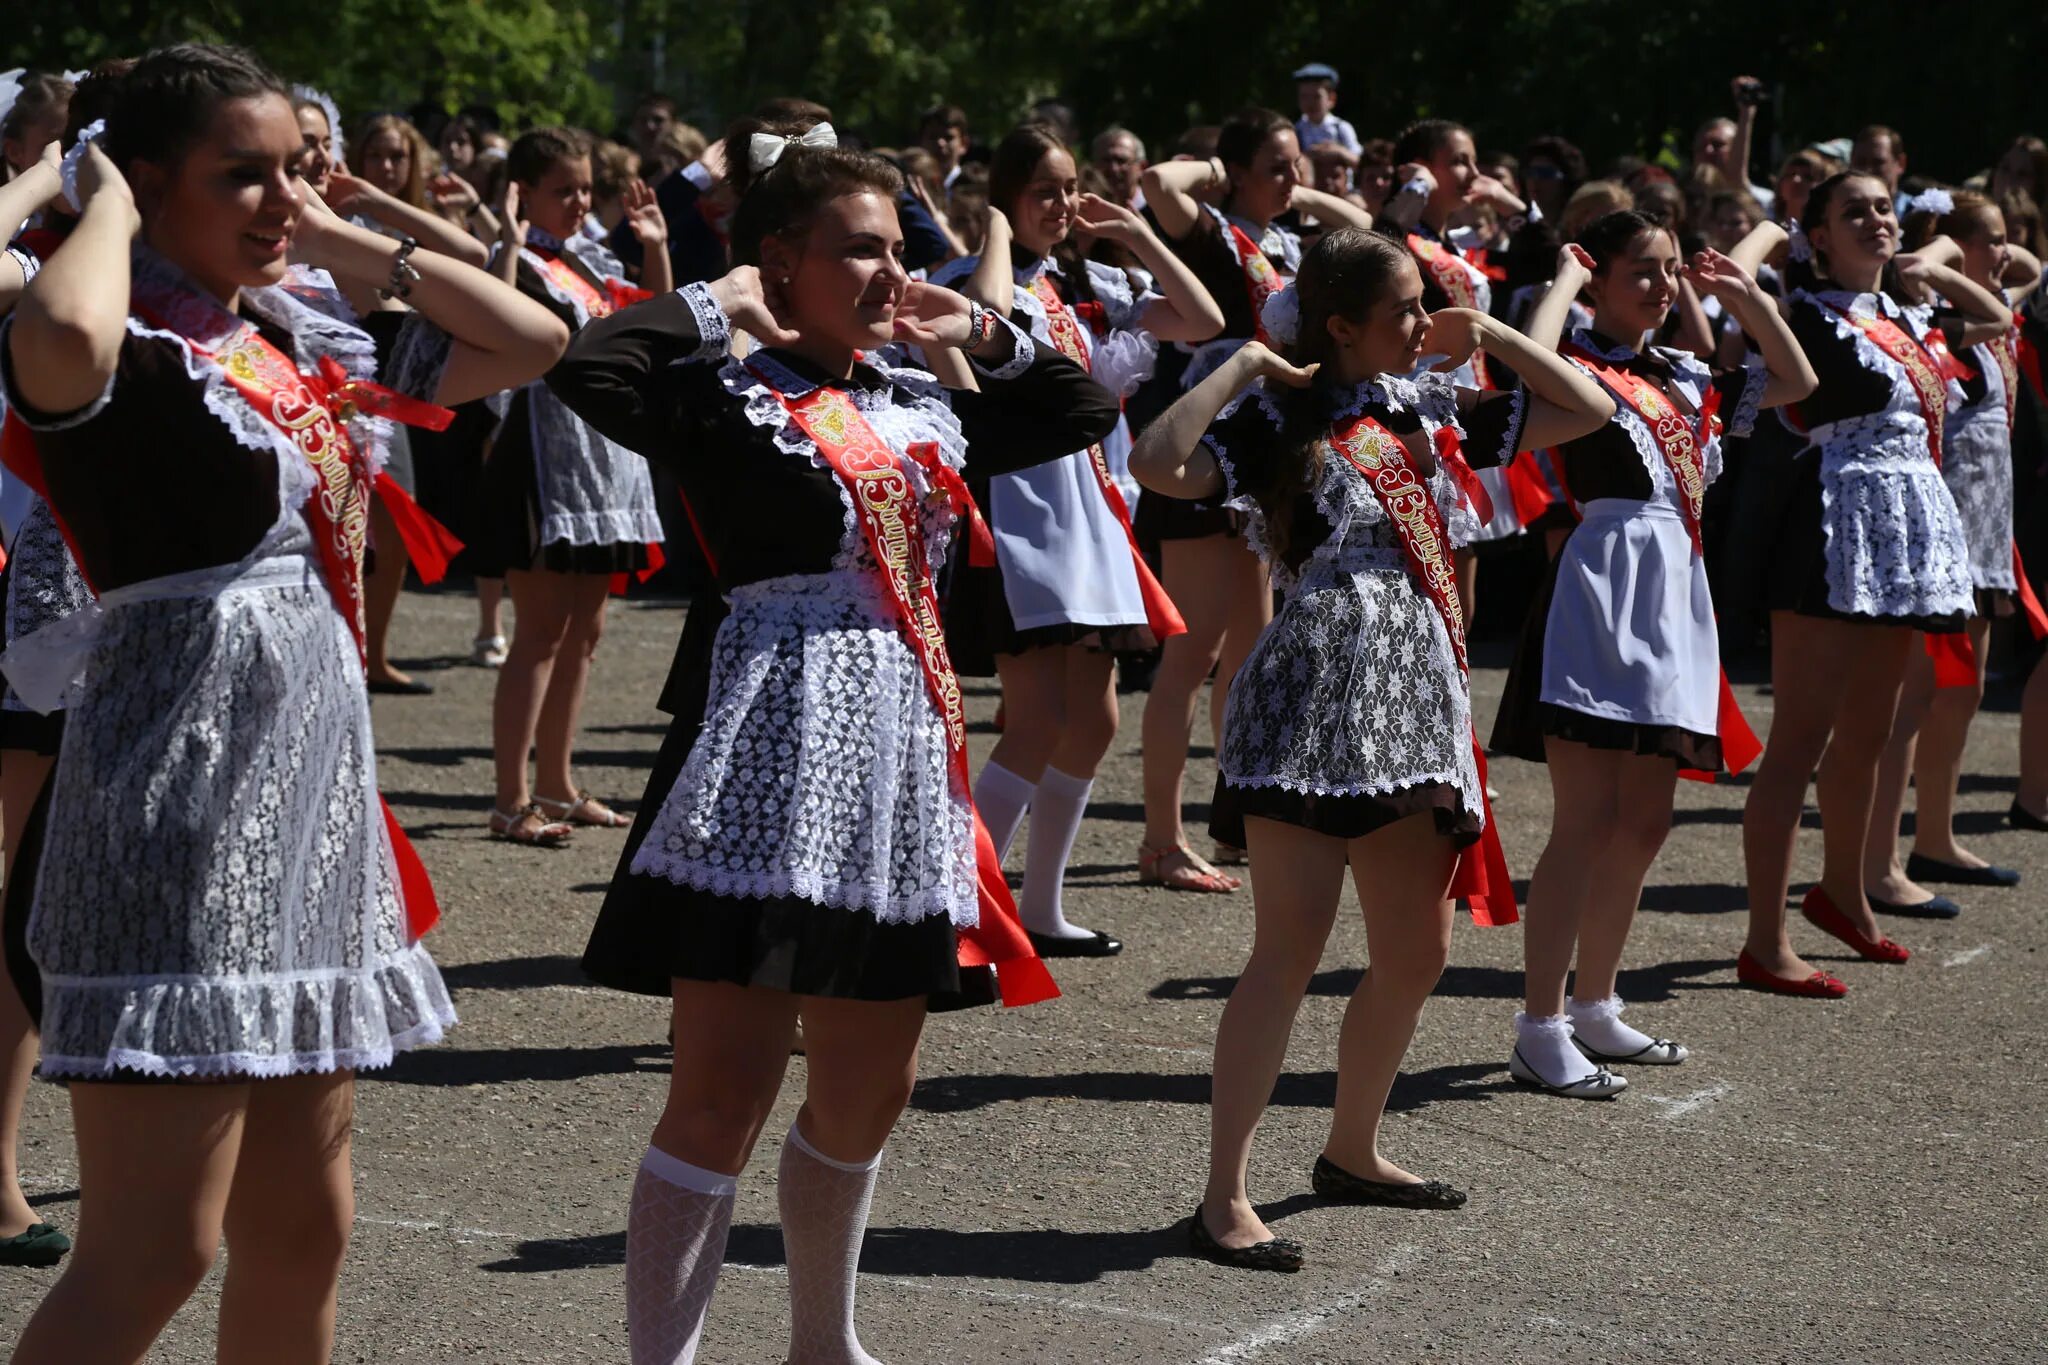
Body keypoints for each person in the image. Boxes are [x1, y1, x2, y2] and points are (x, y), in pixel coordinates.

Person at [0, 43, 566, 1358]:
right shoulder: (114, 340)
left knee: (307, 1223)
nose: (277, 201)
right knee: (154, 1247)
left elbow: (533, 338)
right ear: (143, 185)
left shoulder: (287, 332)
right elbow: (65, 332)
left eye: (291, 172)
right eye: (239, 176)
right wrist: (106, 206)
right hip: (171, 815)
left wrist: (337, 231)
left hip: (306, 808)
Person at [547, 119, 1116, 1363]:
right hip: (763, 750)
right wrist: (715, 302)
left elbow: (1076, 405)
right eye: (855, 251)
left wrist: (977, 328)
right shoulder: (720, 400)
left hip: (900, 766)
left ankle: (822, 1339)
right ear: (780, 262)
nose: (884, 272)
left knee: (871, 1084)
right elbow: (587, 368)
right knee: (720, 1093)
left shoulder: (926, 405)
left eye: (895, 248)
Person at [1130, 227, 1613, 1269]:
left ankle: (1351, 1148)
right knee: (1286, 953)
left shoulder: (1430, 410)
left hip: (1412, 703)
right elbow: (1154, 462)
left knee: (1416, 952)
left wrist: (1483, 328)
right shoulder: (1271, 421)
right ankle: (1223, 1195)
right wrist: (1242, 364)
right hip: (1305, 702)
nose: (1420, 320)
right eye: (1403, 308)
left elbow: (1589, 410)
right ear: (1340, 325)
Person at [1490, 214, 1814, 1096]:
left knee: (1645, 820)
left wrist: (1745, 295)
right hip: (1601, 588)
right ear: (1598, 280)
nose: (1663, 285)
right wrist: (1562, 282)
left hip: (1676, 591)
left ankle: (1595, 1002)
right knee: (1584, 821)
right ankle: (1540, 1024)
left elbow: (1797, 378)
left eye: (1671, 271)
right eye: (1643, 270)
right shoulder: (1579, 377)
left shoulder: (1682, 375)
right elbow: (1523, 363)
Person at [935, 122, 1223, 942]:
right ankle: (956, 911)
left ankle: (1039, 906)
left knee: (1095, 720)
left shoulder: (1092, 281)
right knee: (1033, 719)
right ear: (1006, 198)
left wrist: (1136, 232)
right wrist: (993, 227)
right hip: (1025, 509)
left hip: (1096, 511)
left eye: (1069, 188)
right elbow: (986, 322)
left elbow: (1202, 319)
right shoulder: (969, 276)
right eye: (1042, 191)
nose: (1061, 205)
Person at [1730, 172, 2013, 996]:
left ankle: (1845, 893)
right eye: (1853, 213)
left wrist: (1931, 262)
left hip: (1910, 533)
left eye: (1883, 208)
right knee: (1800, 741)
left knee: (1872, 733)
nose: (1877, 221)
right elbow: (1737, 283)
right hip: (1832, 530)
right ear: (1817, 235)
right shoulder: (1804, 314)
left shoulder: (1908, 315)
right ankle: (1765, 939)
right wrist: (1780, 230)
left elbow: (1998, 318)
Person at [1136, 108, 1374, 880]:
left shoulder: (1286, 240)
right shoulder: (1211, 231)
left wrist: (1295, 193)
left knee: (1251, 653)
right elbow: (1156, 182)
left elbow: (1364, 225)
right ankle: (1161, 840)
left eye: (1296, 161)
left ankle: (1231, 818)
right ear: (1236, 171)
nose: (1292, 176)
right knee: (1192, 655)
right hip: (1212, 444)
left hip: (1268, 450)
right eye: (1275, 164)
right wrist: (1221, 174)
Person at [481, 125, 671, 846]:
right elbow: (489, 319)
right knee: (539, 630)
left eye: (585, 188)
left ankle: (557, 784)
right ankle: (509, 799)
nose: (579, 200)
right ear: (524, 192)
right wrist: (504, 234)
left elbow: (658, 325)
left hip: (604, 461)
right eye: (563, 189)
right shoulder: (517, 260)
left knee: (584, 632)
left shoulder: (586, 263)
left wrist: (653, 243)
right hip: (541, 455)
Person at [1863, 191, 2045, 911]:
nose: (2006, 252)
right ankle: (1884, 856)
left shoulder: (1990, 304)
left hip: (1988, 525)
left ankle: (1934, 836)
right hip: (1947, 526)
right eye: (1991, 239)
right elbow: (1936, 270)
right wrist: (1936, 255)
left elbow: (2028, 267)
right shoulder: (1942, 322)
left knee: (1963, 692)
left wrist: (1973, 253)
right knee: (1920, 693)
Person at [0, 109, 70, 1272]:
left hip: (94, 614)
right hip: (24, 595)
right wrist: (47, 182)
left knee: (35, 895)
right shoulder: (42, 263)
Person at [1377, 117, 1536, 618]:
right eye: (1458, 161)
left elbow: (1547, 263)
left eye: (1474, 159)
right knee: (1423, 568)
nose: (1472, 172)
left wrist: (1513, 207)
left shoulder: (1455, 244)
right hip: (1417, 404)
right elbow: (1377, 243)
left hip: (1465, 402)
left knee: (1459, 580)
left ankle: (1454, 691)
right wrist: (1413, 188)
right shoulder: (1404, 238)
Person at [1291, 62, 1360, 155]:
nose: (1310, 103)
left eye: (1317, 97)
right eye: (1304, 96)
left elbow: (1359, 161)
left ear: (1331, 99)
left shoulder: (1341, 128)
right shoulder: (1296, 131)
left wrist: (1338, 151)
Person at [1851, 124, 1910, 213]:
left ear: (1901, 164)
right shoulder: (1838, 215)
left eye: (1877, 163)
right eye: (1861, 162)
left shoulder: (1917, 214)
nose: (1868, 171)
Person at [1091, 126, 1146, 211]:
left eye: (1121, 161)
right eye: (1106, 160)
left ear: (1142, 167)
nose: (1113, 169)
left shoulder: (1160, 211)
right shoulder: (1084, 213)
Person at [918, 102, 970, 190]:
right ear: (921, 142)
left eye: (948, 137)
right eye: (933, 136)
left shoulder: (973, 190)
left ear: (963, 144)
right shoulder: (908, 191)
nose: (940, 143)